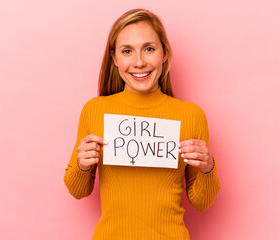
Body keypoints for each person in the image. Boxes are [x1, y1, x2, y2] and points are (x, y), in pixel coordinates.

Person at [64, 8, 220, 240]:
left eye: (149, 49)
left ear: (164, 54)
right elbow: (78, 190)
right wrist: (82, 165)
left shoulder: (191, 115)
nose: (139, 62)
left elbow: (202, 202)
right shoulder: (95, 110)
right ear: (115, 58)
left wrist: (207, 167)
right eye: (127, 51)